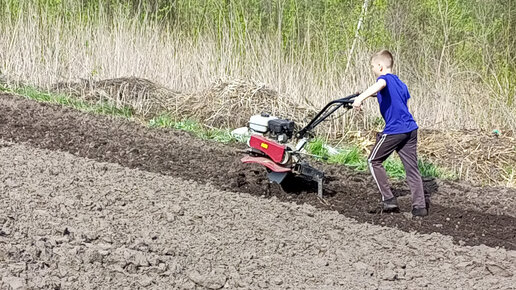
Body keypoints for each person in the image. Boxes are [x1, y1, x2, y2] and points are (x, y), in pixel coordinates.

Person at [352, 49, 429, 217]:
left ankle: (389, 200)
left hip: (395, 130)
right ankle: (419, 207)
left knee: (373, 160)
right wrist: (364, 95)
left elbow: (381, 85)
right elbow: (392, 97)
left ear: (380, 66)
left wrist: (359, 99)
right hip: (410, 129)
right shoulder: (401, 83)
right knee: (412, 169)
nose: (372, 69)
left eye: (373, 66)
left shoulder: (383, 79)